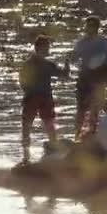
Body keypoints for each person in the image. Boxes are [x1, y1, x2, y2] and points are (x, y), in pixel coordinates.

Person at [19, 35, 69, 163]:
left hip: (31, 97)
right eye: (47, 47)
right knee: (49, 124)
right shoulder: (48, 65)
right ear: (40, 48)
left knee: (27, 126)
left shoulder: (27, 64)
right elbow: (64, 75)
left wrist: (28, 91)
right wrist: (67, 63)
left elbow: (22, 82)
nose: (49, 50)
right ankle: (53, 152)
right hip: (44, 97)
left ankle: (26, 156)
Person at [70, 16, 107, 139]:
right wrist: (70, 58)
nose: (87, 28)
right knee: (81, 109)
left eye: (90, 26)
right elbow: (74, 59)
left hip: (98, 80)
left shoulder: (103, 43)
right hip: (85, 79)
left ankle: (92, 134)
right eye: (87, 25)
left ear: (96, 28)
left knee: (95, 110)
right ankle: (77, 135)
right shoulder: (81, 43)